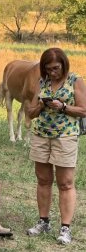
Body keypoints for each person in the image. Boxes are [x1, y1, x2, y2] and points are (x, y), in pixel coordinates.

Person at [26, 48, 86, 245]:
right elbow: (31, 112)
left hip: (65, 137)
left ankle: (65, 228)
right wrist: (41, 105)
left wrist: (64, 107)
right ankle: (43, 221)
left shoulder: (75, 81)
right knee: (43, 179)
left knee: (66, 183)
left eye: (56, 68)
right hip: (41, 135)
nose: (52, 72)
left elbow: (84, 110)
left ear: (64, 64)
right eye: (48, 69)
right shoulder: (42, 82)